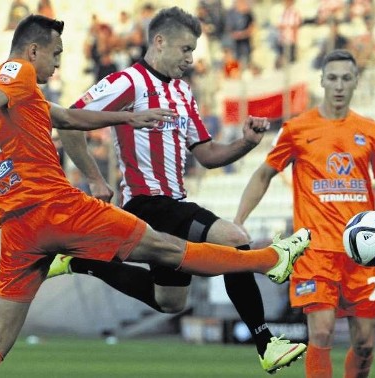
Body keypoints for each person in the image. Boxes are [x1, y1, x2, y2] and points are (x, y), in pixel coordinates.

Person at [0, 15, 310, 377]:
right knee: (170, 248)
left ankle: (81, 262)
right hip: (58, 207)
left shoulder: (26, 97)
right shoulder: (16, 73)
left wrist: (127, 119)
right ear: (33, 51)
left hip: (19, 227)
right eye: (56, 54)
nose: (58, 63)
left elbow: (68, 118)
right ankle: (268, 261)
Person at [47, 7, 307, 374]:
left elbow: (207, 154)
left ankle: (83, 261)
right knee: (234, 238)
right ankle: (266, 342)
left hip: (175, 204)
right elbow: (70, 122)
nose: (190, 58)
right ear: (159, 41)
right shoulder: (129, 82)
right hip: (146, 203)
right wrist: (94, 179)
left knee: (169, 301)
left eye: (193, 50)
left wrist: (246, 143)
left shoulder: (183, 93)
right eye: (185, 49)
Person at [234, 49, 375, 378]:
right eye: (333, 78)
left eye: (346, 79)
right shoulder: (297, 128)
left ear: (355, 82)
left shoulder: (369, 130)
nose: (339, 85)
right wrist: (238, 222)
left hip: (363, 253)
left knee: (365, 344)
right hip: (314, 251)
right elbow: (263, 174)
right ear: (322, 81)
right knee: (320, 333)